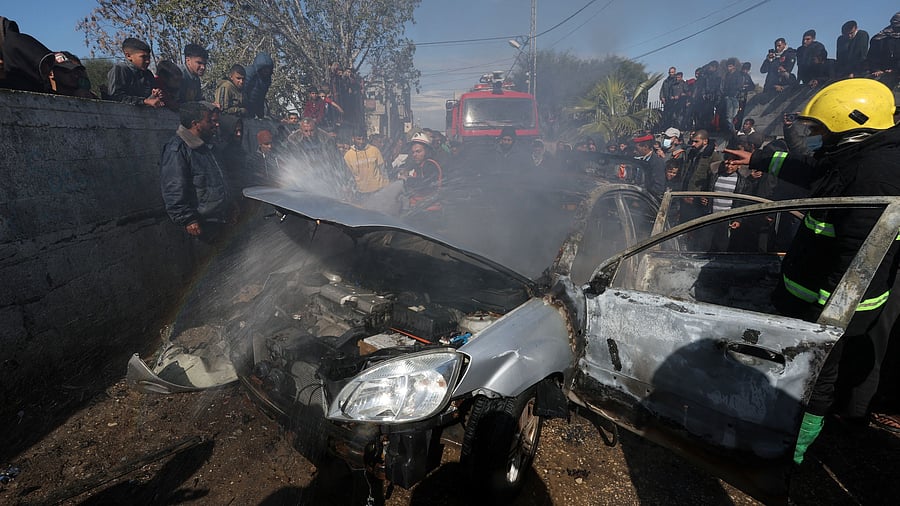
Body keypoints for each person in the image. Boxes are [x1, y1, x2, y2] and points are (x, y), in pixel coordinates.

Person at [723, 79, 900, 464]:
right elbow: (814, 170)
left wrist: (824, 322)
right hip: (812, 299)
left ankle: (789, 454)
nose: (813, 139)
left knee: (814, 379)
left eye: (819, 130)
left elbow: (858, 260)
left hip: (831, 308)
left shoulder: (877, 174)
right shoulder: (858, 158)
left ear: (852, 127)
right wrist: (758, 159)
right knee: (799, 374)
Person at [160, 101, 235, 243]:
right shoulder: (177, 149)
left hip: (222, 218)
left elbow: (221, 177)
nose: (215, 125)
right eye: (209, 121)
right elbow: (173, 189)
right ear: (195, 124)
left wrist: (231, 203)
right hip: (203, 224)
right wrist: (188, 220)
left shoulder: (209, 145)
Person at [106, 37, 161, 107]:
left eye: (148, 57)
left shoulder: (148, 74)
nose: (148, 61)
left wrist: (154, 96)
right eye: (143, 57)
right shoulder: (120, 69)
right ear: (128, 56)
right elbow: (115, 97)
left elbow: (150, 100)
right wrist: (144, 101)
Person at [399, 132, 442, 210]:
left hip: (429, 211)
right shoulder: (420, 165)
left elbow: (426, 184)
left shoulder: (430, 165)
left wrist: (407, 179)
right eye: (413, 152)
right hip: (420, 209)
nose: (414, 155)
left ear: (427, 151)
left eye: (418, 151)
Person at [344, 129, 388, 194]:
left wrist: (387, 185)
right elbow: (349, 176)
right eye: (359, 139)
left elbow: (383, 169)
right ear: (353, 139)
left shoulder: (374, 150)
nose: (361, 142)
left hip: (379, 189)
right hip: (361, 192)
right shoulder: (348, 156)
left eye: (363, 139)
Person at [867, 12, 900, 90]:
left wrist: (896, 69)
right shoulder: (879, 38)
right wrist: (876, 69)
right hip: (883, 72)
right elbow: (872, 57)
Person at [632, 133, 666, 200]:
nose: (634, 151)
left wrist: (640, 199)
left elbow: (658, 187)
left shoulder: (657, 162)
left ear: (646, 147)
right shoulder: (639, 160)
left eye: (636, 148)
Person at [243, 52, 274, 119]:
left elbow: (261, 98)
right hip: (244, 107)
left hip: (253, 108)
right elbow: (243, 91)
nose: (266, 71)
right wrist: (245, 107)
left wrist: (261, 115)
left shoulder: (267, 80)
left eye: (268, 69)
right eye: (264, 68)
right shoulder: (250, 73)